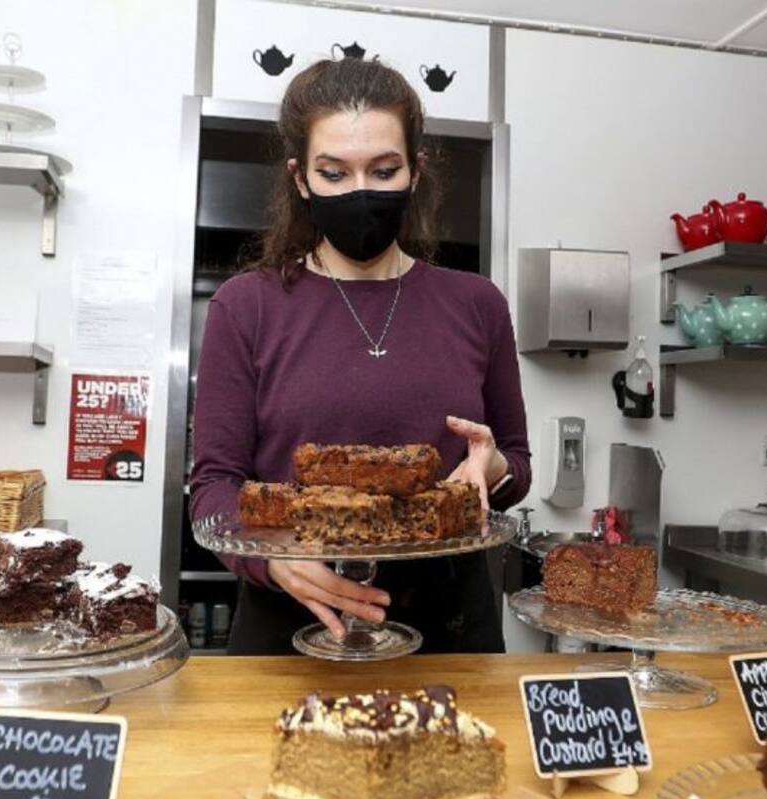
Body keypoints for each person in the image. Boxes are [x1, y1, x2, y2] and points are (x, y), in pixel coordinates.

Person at [190, 58, 530, 655]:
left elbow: (516, 463)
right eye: (334, 173)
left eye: (383, 169)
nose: (360, 192)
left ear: (415, 171)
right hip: (290, 628)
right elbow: (215, 487)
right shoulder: (246, 306)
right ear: (301, 180)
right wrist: (276, 565)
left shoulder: (477, 304)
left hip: (449, 628)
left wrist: (493, 468)